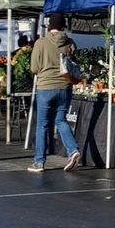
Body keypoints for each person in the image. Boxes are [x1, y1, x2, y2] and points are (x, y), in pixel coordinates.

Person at [28, 14, 82, 173]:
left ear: (49, 25)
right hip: (65, 86)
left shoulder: (41, 43)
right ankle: (73, 150)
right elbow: (74, 63)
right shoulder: (70, 43)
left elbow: (34, 68)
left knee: (42, 124)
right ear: (63, 26)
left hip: (45, 87)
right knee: (60, 120)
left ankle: (39, 162)